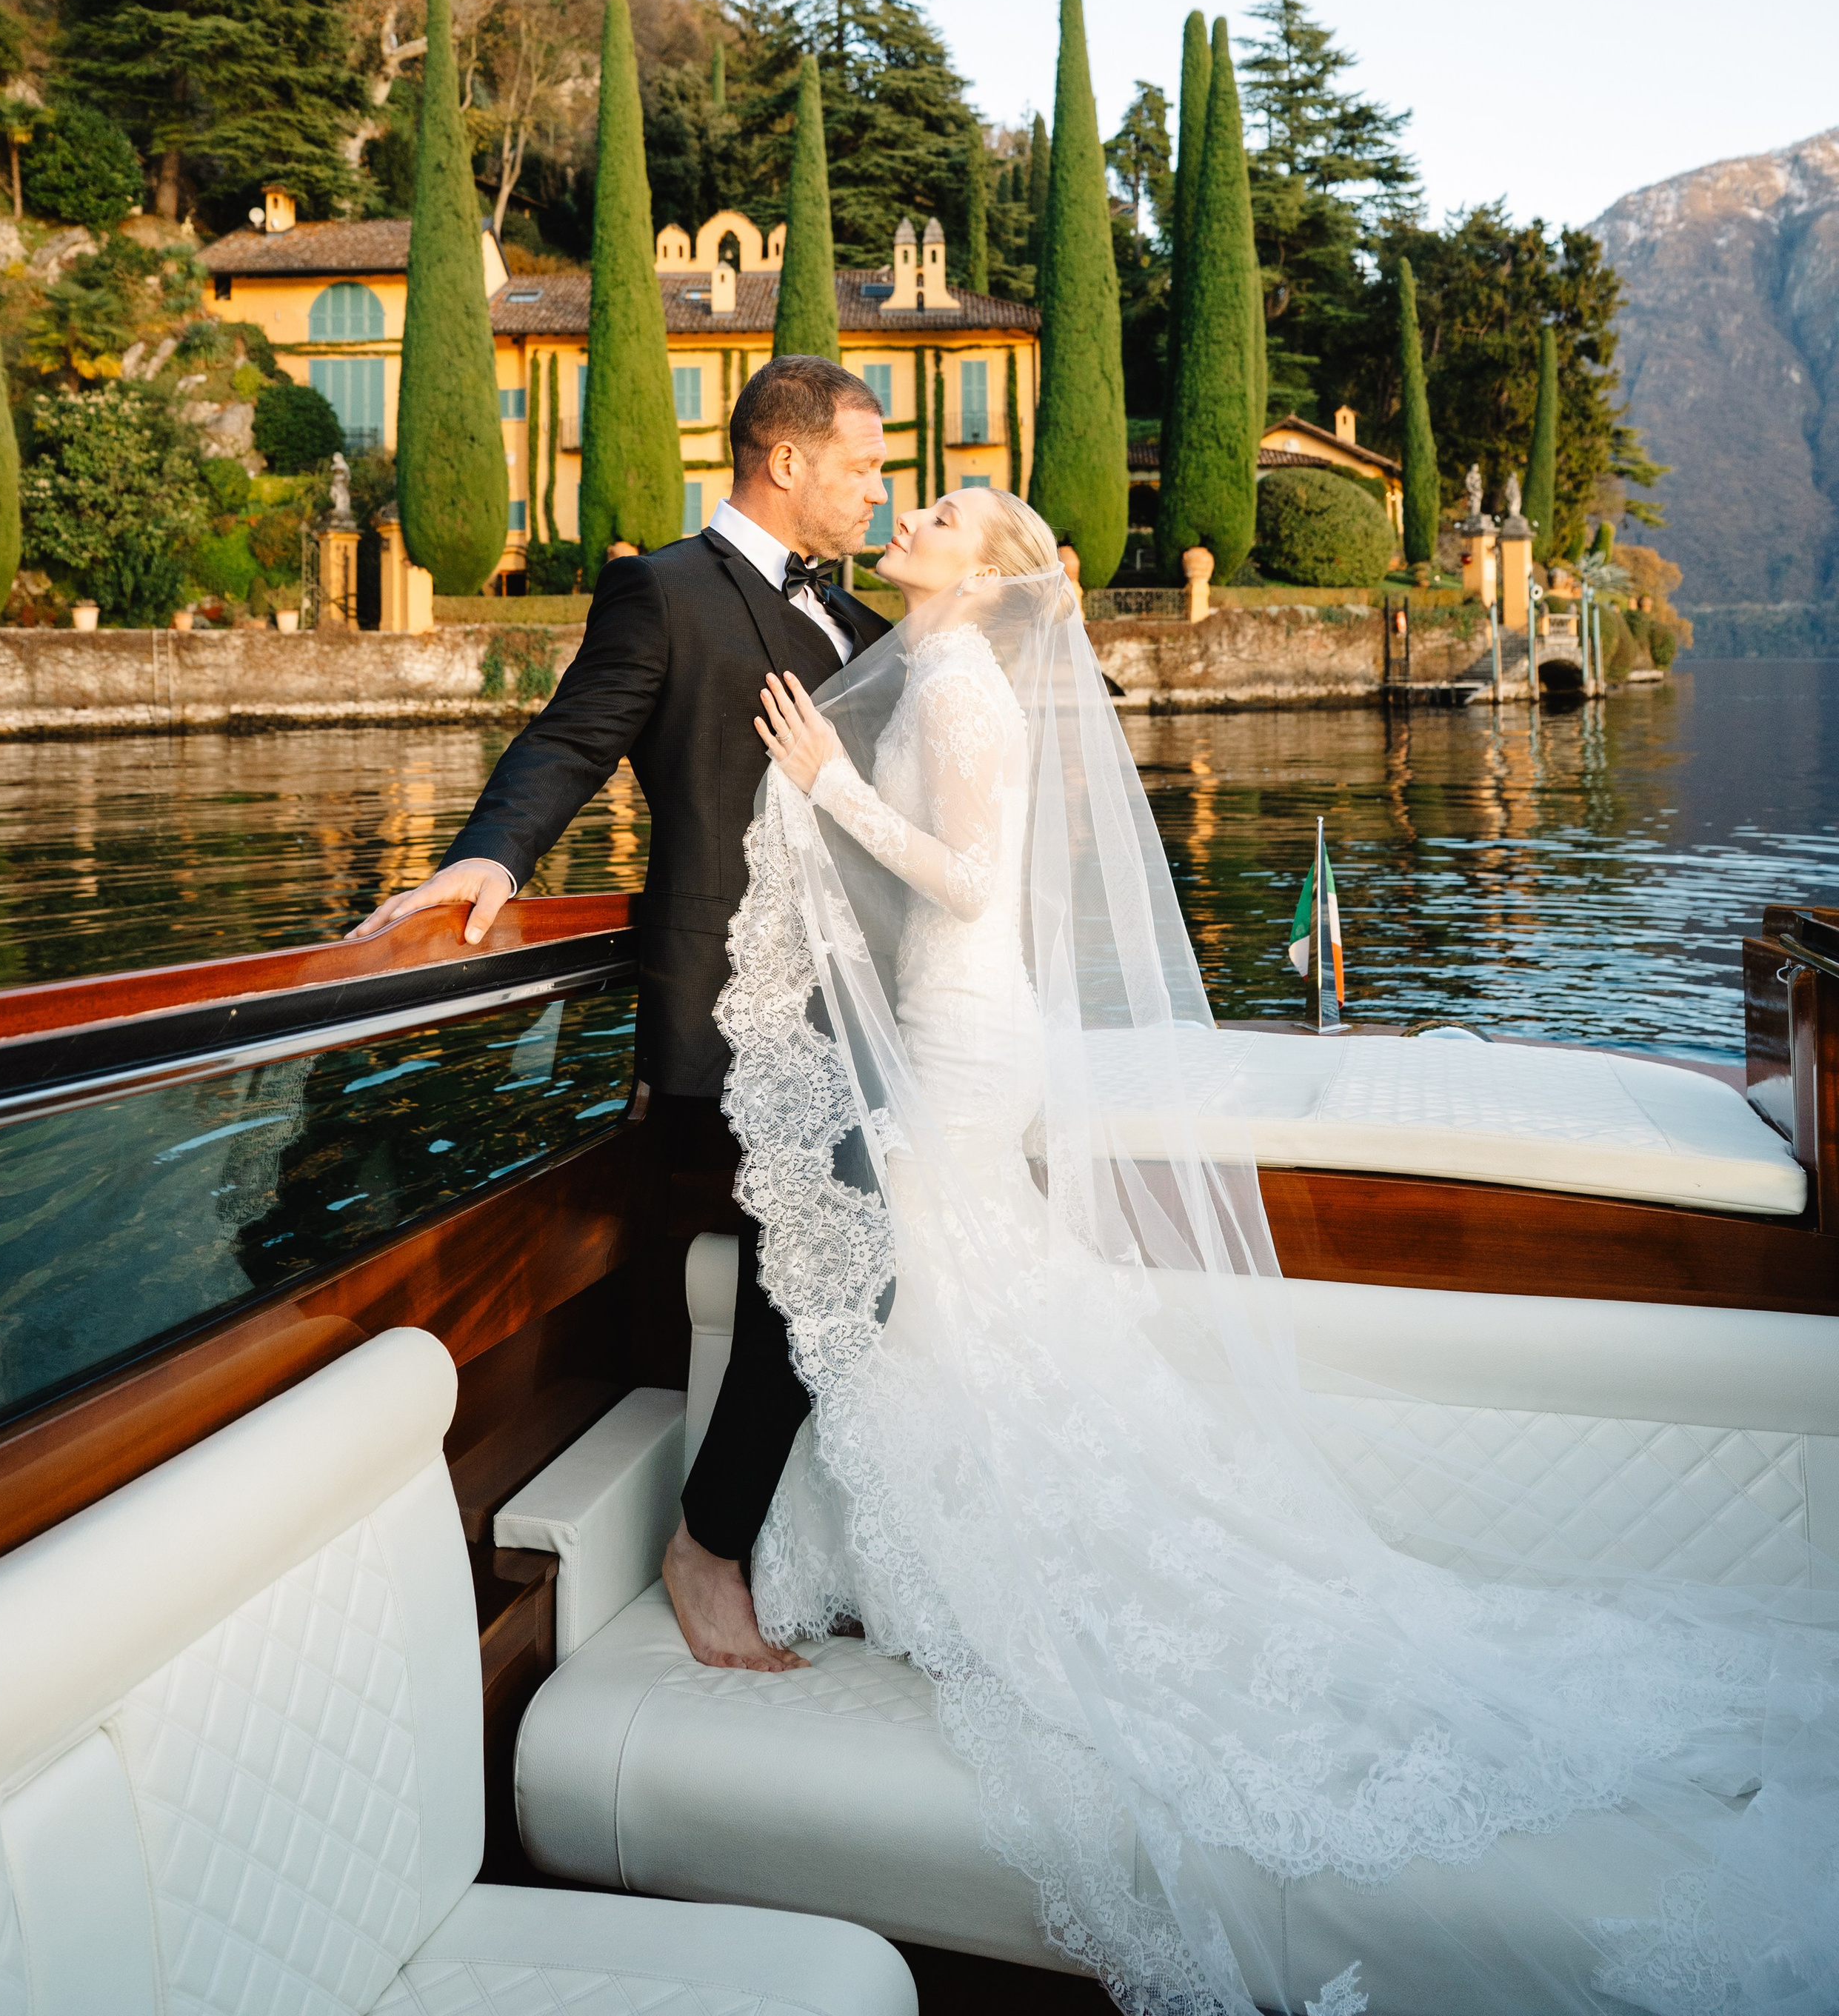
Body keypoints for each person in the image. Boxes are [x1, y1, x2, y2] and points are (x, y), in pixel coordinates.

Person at [715, 483, 1839, 2016]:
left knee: (940, 1280)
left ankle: (958, 1566)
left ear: (984, 576)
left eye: (948, 512)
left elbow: (968, 881)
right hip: (952, 1023)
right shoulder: (935, 663)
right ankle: (901, 1559)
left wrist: (830, 783)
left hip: (965, 1037)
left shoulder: (964, 684)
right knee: (948, 1291)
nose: (912, 512)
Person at [348, 353, 895, 1670]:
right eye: (864, 466)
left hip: (864, 1010)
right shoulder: (665, 592)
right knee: (838, 1247)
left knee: (874, 1243)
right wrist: (491, 857)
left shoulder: (858, 621)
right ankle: (710, 1545)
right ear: (786, 461)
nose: (880, 492)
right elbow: (569, 740)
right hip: (735, 1013)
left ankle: (844, 1555)